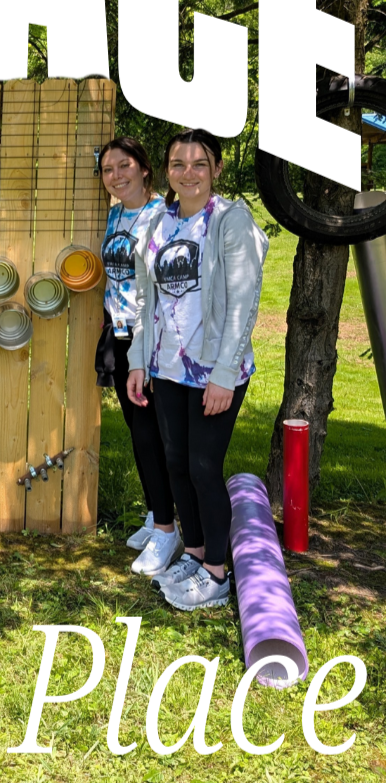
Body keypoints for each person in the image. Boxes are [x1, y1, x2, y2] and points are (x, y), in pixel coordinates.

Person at [128, 128, 268, 611]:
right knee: (177, 464)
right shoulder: (158, 222)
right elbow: (145, 299)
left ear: (217, 169)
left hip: (215, 371)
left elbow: (244, 302)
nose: (189, 173)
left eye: (200, 164)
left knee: (205, 468)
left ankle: (216, 574)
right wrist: (138, 360)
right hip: (167, 368)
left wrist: (225, 374)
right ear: (167, 170)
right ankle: (193, 552)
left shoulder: (231, 219)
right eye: (179, 164)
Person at [95, 138, 177, 574]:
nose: (116, 175)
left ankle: (167, 530)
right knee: (137, 430)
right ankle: (156, 511)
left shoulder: (163, 217)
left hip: (151, 339)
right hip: (120, 337)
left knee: (150, 434)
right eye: (108, 169)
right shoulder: (114, 215)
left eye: (124, 165)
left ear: (145, 168)